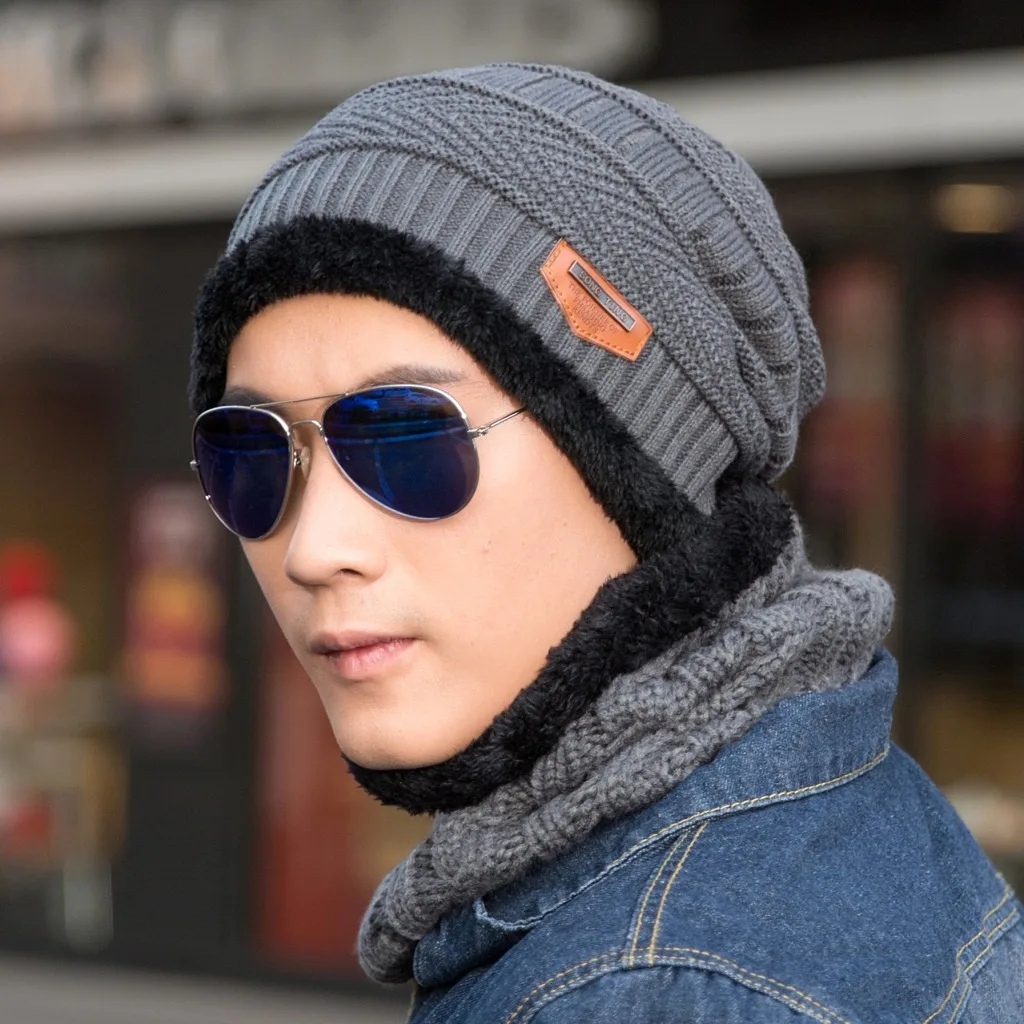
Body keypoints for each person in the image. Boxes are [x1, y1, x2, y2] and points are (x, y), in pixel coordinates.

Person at [187, 64, 1024, 1022]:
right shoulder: (844, 800)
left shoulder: (645, 989)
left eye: (407, 440)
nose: (313, 548)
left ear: (638, 467)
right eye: (249, 453)